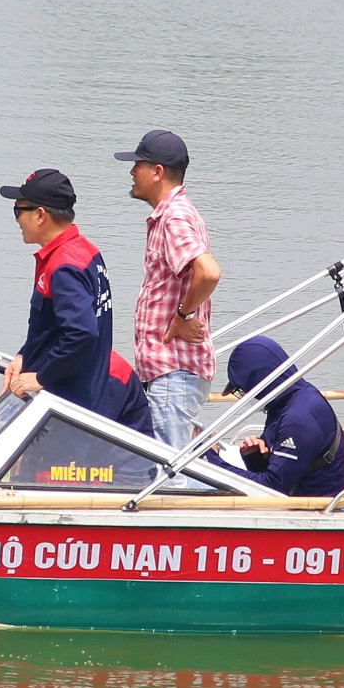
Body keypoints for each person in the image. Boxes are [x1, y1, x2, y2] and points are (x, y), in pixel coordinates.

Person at [0, 168, 155, 435]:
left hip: (67, 403)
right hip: (76, 391)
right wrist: (25, 355)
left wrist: (40, 377)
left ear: (40, 215)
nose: (16, 220)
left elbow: (82, 332)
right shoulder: (85, 251)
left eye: (18, 211)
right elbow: (53, 325)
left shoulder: (64, 265)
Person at [116, 128, 220, 448]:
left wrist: (182, 316)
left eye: (138, 165)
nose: (132, 172)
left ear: (157, 172)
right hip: (169, 375)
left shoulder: (174, 216)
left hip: (173, 374)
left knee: (170, 476)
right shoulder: (173, 214)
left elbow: (209, 272)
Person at [210, 335, 344, 497]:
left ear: (257, 383)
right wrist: (254, 457)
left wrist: (212, 462)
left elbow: (273, 489)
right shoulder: (288, 400)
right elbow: (279, 475)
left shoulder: (298, 420)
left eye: (242, 390)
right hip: (298, 497)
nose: (245, 396)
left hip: (313, 511)